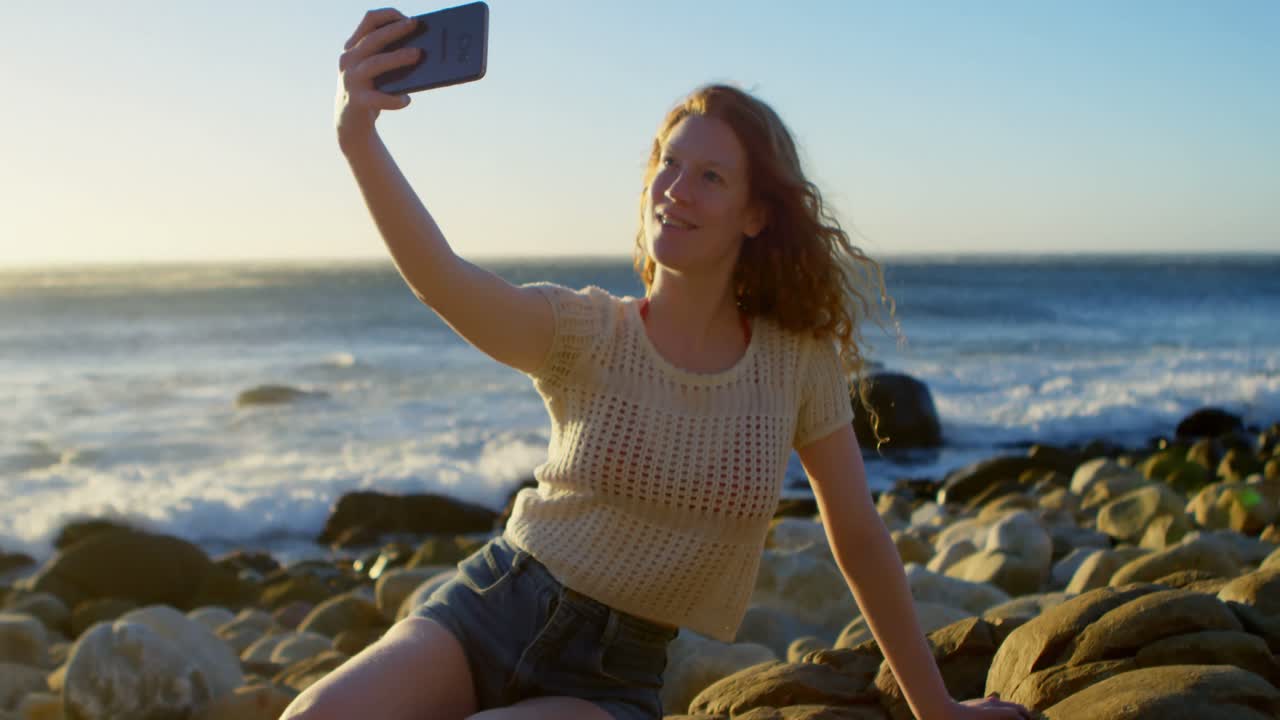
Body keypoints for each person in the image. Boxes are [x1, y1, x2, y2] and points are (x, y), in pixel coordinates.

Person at [283, 8, 1037, 720]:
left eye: (711, 176)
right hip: (492, 606)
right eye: (669, 164)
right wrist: (358, 136)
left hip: (609, 676)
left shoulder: (795, 364)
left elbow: (859, 535)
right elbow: (442, 278)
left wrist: (936, 708)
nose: (676, 190)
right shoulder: (588, 330)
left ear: (755, 214)